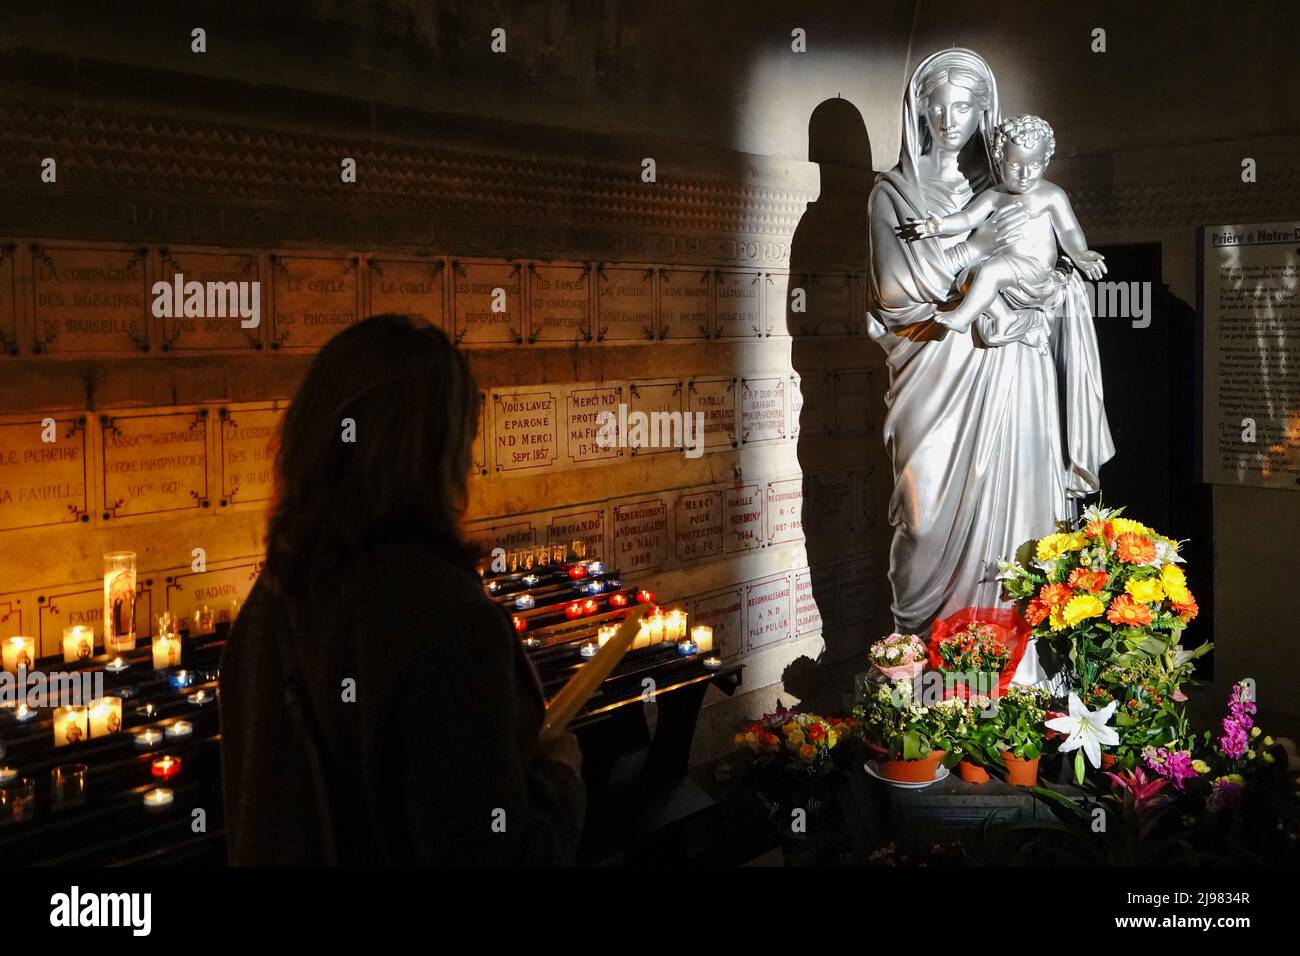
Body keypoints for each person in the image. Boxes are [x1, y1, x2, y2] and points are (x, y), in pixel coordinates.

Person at [220, 314, 585, 865]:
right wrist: (560, 780)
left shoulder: (271, 600)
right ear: (434, 453)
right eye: (463, 437)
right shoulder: (447, 623)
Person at [866, 49, 1114, 681]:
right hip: (930, 370)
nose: (950, 119)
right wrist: (980, 256)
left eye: (965, 106)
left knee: (1016, 523)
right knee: (922, 520)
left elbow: (1059, 270)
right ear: (918, 109)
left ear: (985, 113)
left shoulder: (1008, 187)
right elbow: (896, 296)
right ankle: (920, 667)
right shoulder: (894, 195)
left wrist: (1046, 294)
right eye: (937, 105)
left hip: (1011, 371)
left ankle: (1008, 671)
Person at [900, 113, 1107, 339]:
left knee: (991, 270)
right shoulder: (994, 196)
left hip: (1034, 269)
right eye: (1015, 165)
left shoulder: (1050, 195)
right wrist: (939, 226)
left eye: (1035, 164)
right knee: (965, 279)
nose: (1025, 175)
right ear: (999, 161)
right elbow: (969, 218)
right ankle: (1003, 316)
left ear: (1046, 161)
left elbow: (1067, 230)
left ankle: (962, 318)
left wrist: (1079, 253)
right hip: (1004, 267)